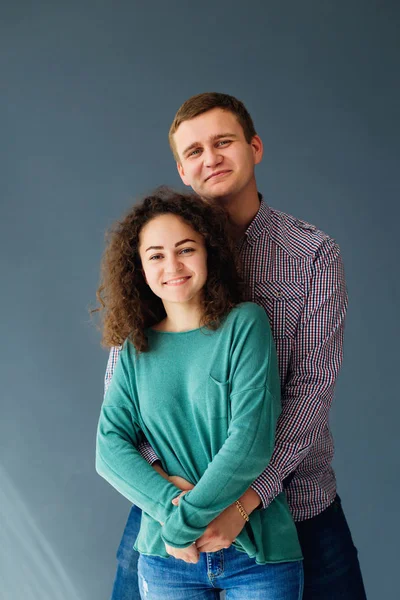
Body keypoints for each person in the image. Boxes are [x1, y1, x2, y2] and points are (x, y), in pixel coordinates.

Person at [105, 93, 367, 599]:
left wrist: (246, 498)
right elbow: (123, 402)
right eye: (195, 151)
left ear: (255, 147)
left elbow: (312, 390)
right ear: (182, 169)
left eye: (223, 142)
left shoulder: (311, 255)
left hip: (293, 501)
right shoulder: (159, 262)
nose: (211, 158)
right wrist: (173, 497)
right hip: (172, 513)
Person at [95, 189, 304, 599]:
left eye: (185, 249)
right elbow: (109, 449)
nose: (172, 265)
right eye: (155, 255)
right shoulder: (135, 348)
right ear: (138, 267)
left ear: (209, 252)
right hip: (168, 557)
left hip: (254, 550)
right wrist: (173, 508)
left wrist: (181, 520)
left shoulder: (245, 325)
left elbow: (251, 442)